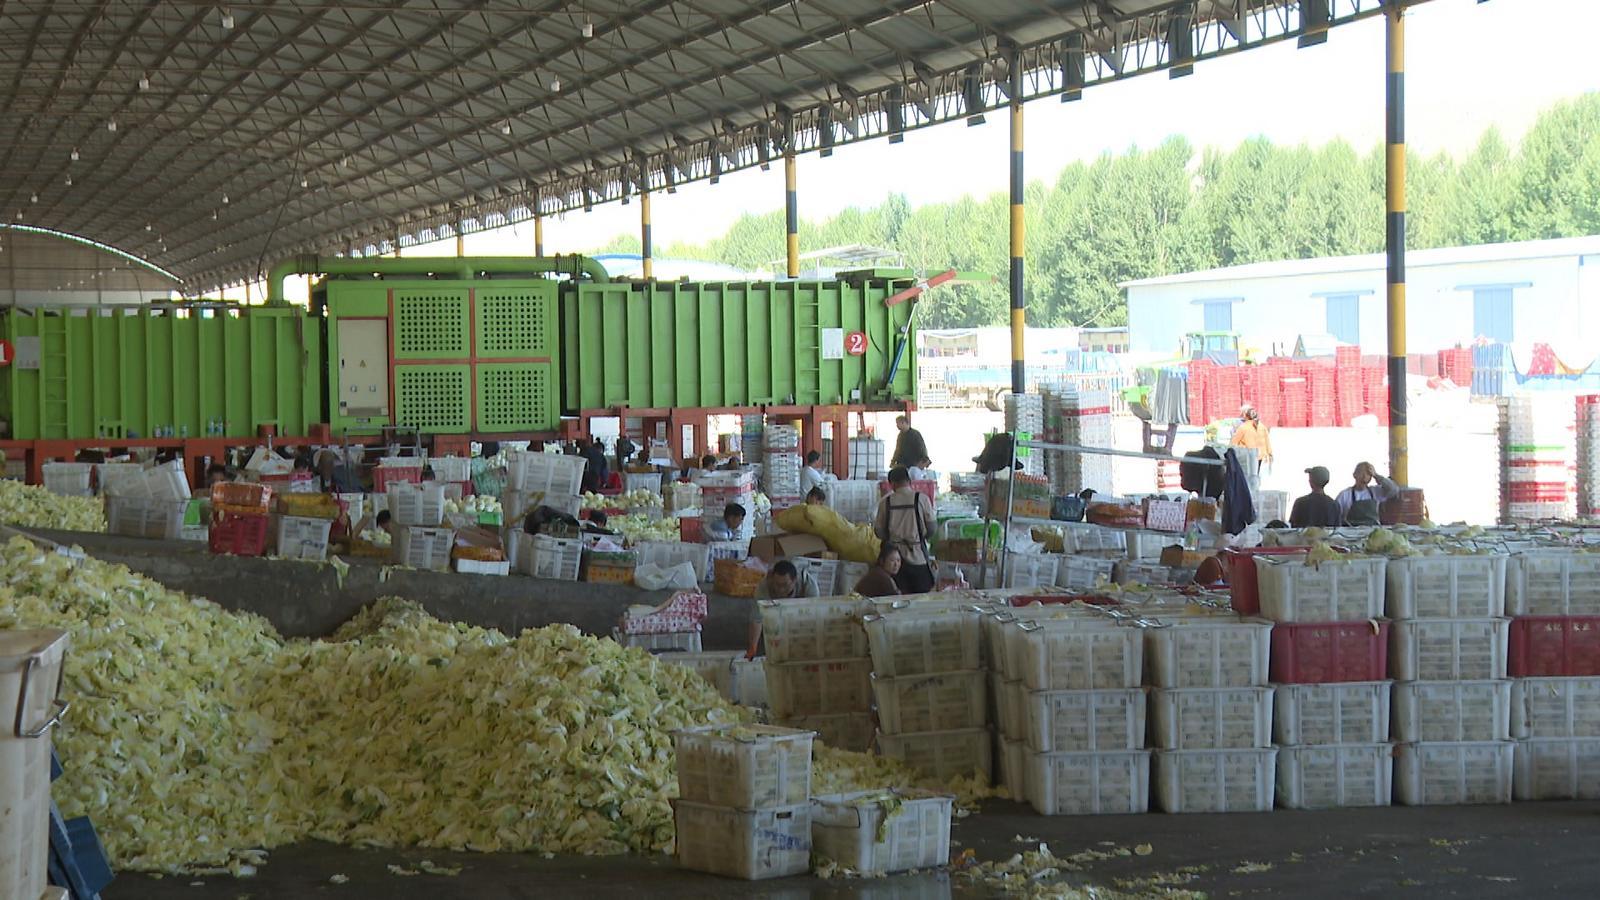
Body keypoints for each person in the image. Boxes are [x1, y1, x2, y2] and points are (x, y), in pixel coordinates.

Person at [874, 467, 936, 594]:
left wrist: (892, 539)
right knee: (921, 598)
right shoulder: (921, 499)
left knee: (897, 599)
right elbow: (932, 528)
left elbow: (878, 531)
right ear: (909, 481)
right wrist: (920, 538)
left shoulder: (886, 502)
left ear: (892, 484)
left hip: (894, 561)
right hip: (918, 557)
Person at [748, 560, 820, 658]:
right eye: (777, 585)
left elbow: (813, 618)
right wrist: (753, 648)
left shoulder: (809, 585)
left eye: (785, 585)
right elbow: (757, 619)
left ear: (794, 580)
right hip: (775, 616)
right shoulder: (764, 587)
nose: (781, 589)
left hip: (800, 617)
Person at [1336, 461, 1400, 526]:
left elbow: (1394, 490)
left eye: (1368, 473)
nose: (1364, 476)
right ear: (1354, 475)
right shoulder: (1344, 495)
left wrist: (1376, 475)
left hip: (1372, 531)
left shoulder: (1375, 491)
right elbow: (1336, 516)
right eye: (1361, 472)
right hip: (1351, 533)